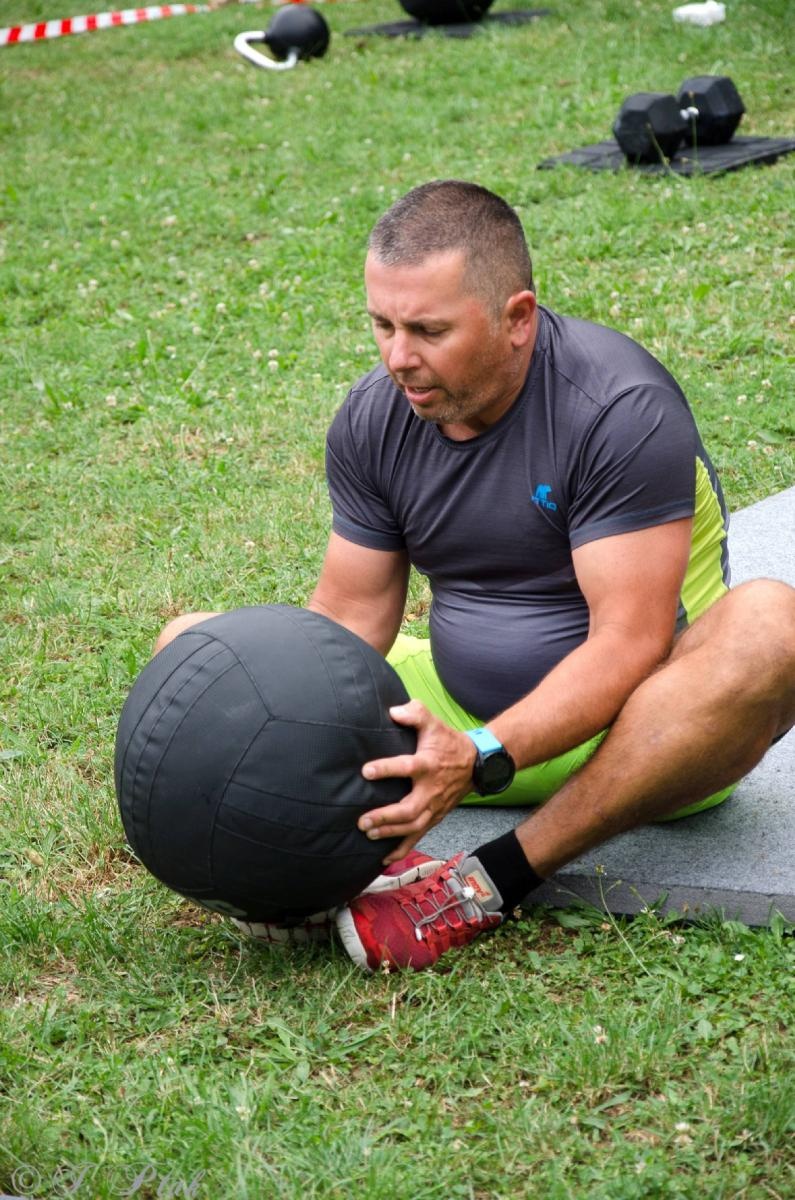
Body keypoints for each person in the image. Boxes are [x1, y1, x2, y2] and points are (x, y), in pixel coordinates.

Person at [157, 180, 795, 973]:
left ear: (516, 318)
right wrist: (278, 759)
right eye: (383, 325)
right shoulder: (375, 416)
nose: (398, 357)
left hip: (642, 737)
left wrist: (479, 754)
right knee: (199, 648)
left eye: (428, 330)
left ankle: (487, 880)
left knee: (770, 625)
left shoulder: (616, 409)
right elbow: (348, 623)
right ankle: (343, 869)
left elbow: (627, 646)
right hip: (453, 730)